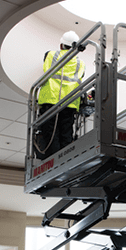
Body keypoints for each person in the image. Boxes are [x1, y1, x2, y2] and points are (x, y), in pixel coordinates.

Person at [35, 31, 86, 160]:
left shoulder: (51, 55)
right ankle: (65, 161)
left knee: (50, 134)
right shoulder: (81, 63)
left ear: (61, 45)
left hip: (51, 100)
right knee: (66, 134)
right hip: (70, 103)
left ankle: (53, 162)